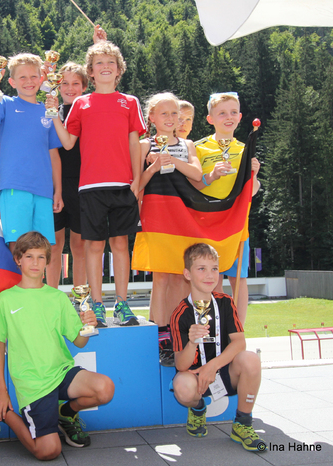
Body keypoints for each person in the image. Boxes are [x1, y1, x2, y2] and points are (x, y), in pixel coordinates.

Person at [0, 232, 114, 460]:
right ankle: (0, 412)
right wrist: (1, 390)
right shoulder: (5, 299)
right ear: (18, 259)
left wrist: (88, 326)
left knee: (105, 389)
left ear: (48, 261)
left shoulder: (57, 298)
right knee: (49, 451)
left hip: (62, 373)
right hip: (33, 384)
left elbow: (79, 341)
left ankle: (66, 414)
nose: (35, 263)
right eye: (29, 256)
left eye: (40, 257)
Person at [49, 38, 147, 328]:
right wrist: (54, 114)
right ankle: (97, 304)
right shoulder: (81, 102)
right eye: (99, 64)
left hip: (123, 185)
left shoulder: (129, 102)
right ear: (90, 72)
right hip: (90, 187)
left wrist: (137, 180)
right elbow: (67, 143)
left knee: (120, 244)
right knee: (93, 246)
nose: (105, 67)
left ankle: (122, 304)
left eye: (111, 63)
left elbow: (134, 142)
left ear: (119, 70)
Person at [170, 243, 266, 452]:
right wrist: (192, 342)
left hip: (223, 370)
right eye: (201, 268)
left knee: (251, 360)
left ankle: (243, 423)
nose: (210, 275)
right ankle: (197, 409)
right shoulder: (180, 313)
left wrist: (213, 366)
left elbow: (240, 343)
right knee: (182, 387)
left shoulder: (225, 302)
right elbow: (181, 364)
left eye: (214, 268)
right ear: (187, 274)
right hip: (194, 375)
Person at [0, 53, 64, 250]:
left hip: (43, 190)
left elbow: (54, 156)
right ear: (12, 82)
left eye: (33, 76)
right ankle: (18, 282)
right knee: (18, 247)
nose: (28, 81)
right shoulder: (4, 104)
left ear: (42, 79)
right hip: (14, 187)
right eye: (22, 77)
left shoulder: (49, 111)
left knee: (41, 249)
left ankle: (38, 283)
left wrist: (58, 191)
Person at [137, 92, 202, 366]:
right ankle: (160, 333)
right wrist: (153, 167)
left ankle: (177, 330)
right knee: (161, 277)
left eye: (175, 113)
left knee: (180, 277)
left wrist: (172, 161)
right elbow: (136, 184)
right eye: (164, 113)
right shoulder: (143, 145)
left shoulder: (187, 145)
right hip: (155, 213)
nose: (171, 118)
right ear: (151, 118)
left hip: (182, 216)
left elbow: (198, 176)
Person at [190, 92, 261, 324]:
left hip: (237, 225)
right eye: (221, 113)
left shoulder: (245, 148)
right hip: (208, 224)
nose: (228, 117)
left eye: (233, 113)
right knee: (213, 278)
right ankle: (214, 326)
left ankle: (237, 329)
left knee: (238, 279)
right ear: (210, 118)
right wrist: (211, 176)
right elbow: (194, 184)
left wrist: (255, 175)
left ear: (240, 117)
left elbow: (252, 191)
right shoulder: (199, 147)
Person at [45, 62, 89, 290]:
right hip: (54, 184)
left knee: (80, 246)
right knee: (53, 245)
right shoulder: (50, 111)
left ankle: (80, 298)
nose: (70, 88)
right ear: (57, 86)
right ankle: (51, 295)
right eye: (64, 83)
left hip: (83, 184)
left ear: (84, 86)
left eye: (76, 83)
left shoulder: (88, 109)